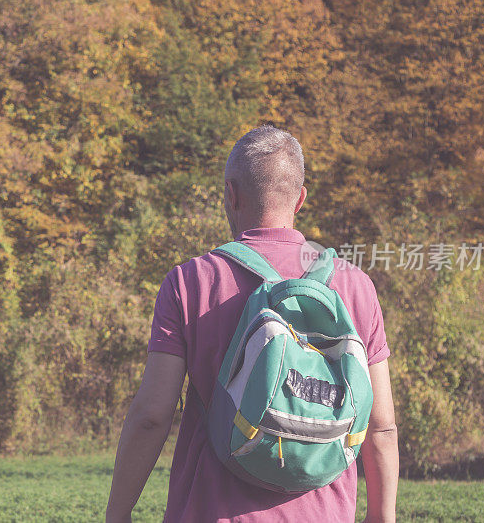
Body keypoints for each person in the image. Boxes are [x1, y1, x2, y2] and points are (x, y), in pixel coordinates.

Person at [106, 125, 399, 522]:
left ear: (231, 193)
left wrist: (117, 514)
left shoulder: (193, 280)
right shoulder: (354, 286)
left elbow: (152, 416)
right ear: (300, 199)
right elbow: (380, 428)